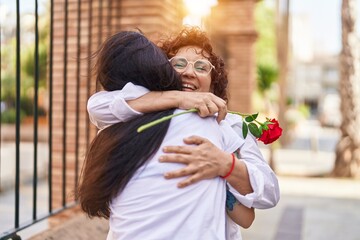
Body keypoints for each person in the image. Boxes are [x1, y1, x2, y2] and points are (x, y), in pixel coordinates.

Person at [78, 31, 254, 240]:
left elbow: (96, 105)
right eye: (178, 64)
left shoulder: (111, 133)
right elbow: (247, 217)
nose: (189, 72)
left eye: (201, 67)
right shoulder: (197, 122)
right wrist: (179, 99)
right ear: (161, 73)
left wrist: (224, 169)